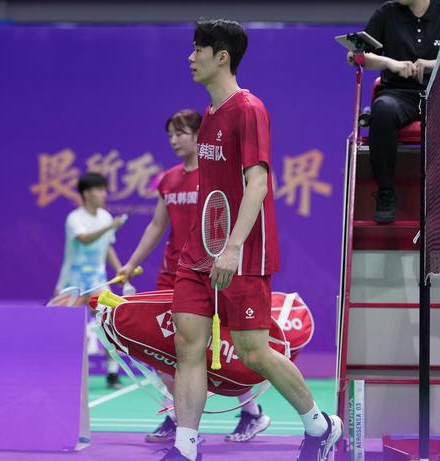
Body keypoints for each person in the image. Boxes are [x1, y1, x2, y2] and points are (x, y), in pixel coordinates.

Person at [156, 19, 341, 461]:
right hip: (199, 253)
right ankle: (185, 447)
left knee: (253, 352)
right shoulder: (209, 116)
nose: (190, 57)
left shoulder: (249, 109)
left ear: (222, 57)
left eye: (198, 49)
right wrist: (207, 247)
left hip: (243, 254)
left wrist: (233, 247)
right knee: (187, 345)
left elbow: (257, 183)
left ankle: (320, 426)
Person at [118, 109, 271, 444]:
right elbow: (156, 226)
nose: (174, 140)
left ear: (200, 136)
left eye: (181, 133)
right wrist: (130, 264)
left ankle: (251, 412)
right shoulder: (167, 180)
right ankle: (180, 419)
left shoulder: (214, 175)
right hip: (172, 275)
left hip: (210, 273)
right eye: (170, 135)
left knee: (226, 349)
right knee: (163, 346)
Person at [349, 0, 440, 223]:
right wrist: (391, 63)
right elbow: (356, 55)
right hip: (397, 94)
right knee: (382, 110)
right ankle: (385, 193)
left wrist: (437, 63)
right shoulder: (386, 13)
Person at [55, 172, 127, 388]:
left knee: (108, 324)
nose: (103, 194)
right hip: (73, 283)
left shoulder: (105, 216)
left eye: (104, 189)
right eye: (99, 190)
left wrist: (120, 269)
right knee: (66, 329)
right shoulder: (74, 218)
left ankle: (112, 372)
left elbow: (107, 247)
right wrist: (110, 227)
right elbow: (85, 240)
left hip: (98, 281)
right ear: (86, 194)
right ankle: (67, 373)